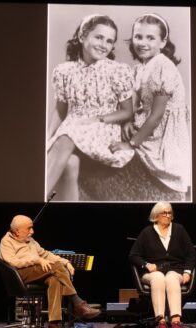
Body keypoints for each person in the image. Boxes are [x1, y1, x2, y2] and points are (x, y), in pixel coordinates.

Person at [46, 14, 134, 201]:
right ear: (82, 37)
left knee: (68, 135)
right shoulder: (63, 71)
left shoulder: (117, 70)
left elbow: (127, 111)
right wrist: (47, 140)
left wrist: (98, 119)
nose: (104, 44)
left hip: (102, 129)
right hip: (72, 126)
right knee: (70, 163)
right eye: (99, 37)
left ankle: (33, 199)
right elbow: (61, 111)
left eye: (109, 41)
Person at [103, 13, 191, 201]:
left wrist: (131, 143)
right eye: (138, 36)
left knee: (119, 150)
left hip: (164, 135)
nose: (143, 43)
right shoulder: (142, 67)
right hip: (148, 123)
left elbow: (157, 116)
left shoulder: (163, 67)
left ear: (162, 42)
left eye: (150, 38)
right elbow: (135, 102)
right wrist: (128, 120)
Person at [0, 215, 100, 328]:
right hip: (20, 274)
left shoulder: (31, 241)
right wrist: (37, 260)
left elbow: (46, 254)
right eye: (29, 228)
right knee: (55, 267)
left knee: (55, 280)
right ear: (17, 231)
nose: (32, 231)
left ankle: (53, 325)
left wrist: (66, 262)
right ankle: (77, 302)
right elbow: (12, 262)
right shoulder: (6, 242)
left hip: (37, 272)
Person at [128, 202, 196, 328]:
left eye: (170, 213)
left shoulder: (179, 229)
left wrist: (187, 271)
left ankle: (176, 322)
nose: (168, 215)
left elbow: (191, 253)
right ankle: (161, 322)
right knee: (159, 277)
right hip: (152, 273)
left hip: (175, 270)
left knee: (171, 278)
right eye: (164, 213)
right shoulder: (147, 232)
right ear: (156, 216)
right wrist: (146, 265)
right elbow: (133, 256)